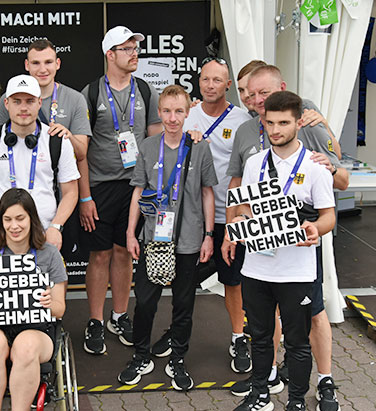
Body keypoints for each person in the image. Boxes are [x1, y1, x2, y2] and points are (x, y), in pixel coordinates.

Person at [225, 66, 347, 410]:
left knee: (297, 342)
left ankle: (296, 401)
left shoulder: (315, 165)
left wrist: (314, 229)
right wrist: (239, 224)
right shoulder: (255, 164)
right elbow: (243, 204)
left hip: (297, 270)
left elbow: (329, 216)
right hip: (258, 268)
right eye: (270, 123)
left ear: (298, 123)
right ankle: (261, 394)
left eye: (283, 123)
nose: (276, 129)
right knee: (261, 338)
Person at [150, 57, 254, 373]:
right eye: (205, 79)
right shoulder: (186, 114)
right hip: (190, 217)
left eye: (217, 80)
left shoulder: (241, 120)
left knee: (232, 281)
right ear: (199, 81)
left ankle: (239, 337)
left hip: (230, 214)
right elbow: (159, 145)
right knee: (183, 281)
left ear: (228, 85)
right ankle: (177, 331)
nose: (210, 85)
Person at [117, 85, 216, 391]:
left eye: (179, 111)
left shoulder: (199, 147)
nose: (173, 118)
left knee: (184, 303)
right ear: (159, 112)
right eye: (167, 111)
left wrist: (209, 235)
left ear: (188, 113)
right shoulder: (147, 147)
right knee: (146, 302)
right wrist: (131, 232)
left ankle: (179, 359)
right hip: (153, 239)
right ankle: (141, 354)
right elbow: (137, 191)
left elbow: (207, 192)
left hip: (188, 239)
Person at [79, 26, 163, 354]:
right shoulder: (90, 93)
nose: (133, 53)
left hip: (135, 187)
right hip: (100, 187)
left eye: (134, 47)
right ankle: (96, 321)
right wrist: (85, 196)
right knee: (99, 254)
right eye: (126, 49)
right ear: (109, 54)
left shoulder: (145, 90)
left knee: (124, 251)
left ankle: (119, 315)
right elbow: (81, 151)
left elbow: (157, 142)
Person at [0, 188, 67, 411]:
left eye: (20, 218)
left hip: (36, 329)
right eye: (7, 219)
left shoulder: (49, 254)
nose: (14, 226)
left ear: (32, 218)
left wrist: (50, 303)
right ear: (0, 221)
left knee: (26, 346)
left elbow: (60, 309)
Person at [0, 74, 80, 250]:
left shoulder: (56, 140)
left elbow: (71, 190)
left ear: (39, 103)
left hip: (44, 236)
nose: (23, 107)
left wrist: (56, 226)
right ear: (6, 104)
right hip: (0, 235)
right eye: (17, 101)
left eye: (29, 101)